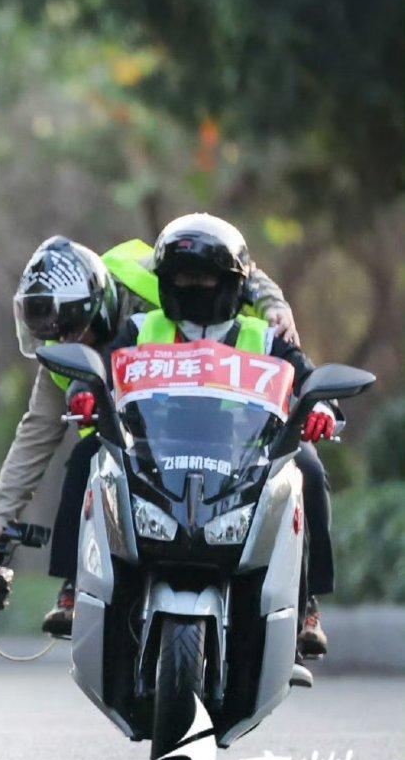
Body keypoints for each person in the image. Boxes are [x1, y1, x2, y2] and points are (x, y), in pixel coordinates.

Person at [0, 231, 300, 637]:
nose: (61, 343)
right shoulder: (59, 352)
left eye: (71, 333)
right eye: (50, 336)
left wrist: (274, 306)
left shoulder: (151, 277)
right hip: (141, 441)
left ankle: (293, 604)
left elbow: (239, 262)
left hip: (233, 415)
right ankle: (74, 589)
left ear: (97, 308)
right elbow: (35, 435)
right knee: (83, 461)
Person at [63, 213, 337, 659]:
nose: (195, 285)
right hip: (151, 452)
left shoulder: (264, 337)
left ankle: (307, 604)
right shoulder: (139, 329)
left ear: (234, 284)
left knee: (306, 467)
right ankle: (73, 587)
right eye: (184, 276)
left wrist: (322, 406)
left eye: (206, 278)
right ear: (166, 283)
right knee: (86, 456)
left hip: (248, 454)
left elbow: (306, 378)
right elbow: (98, 370)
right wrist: (83, 392)